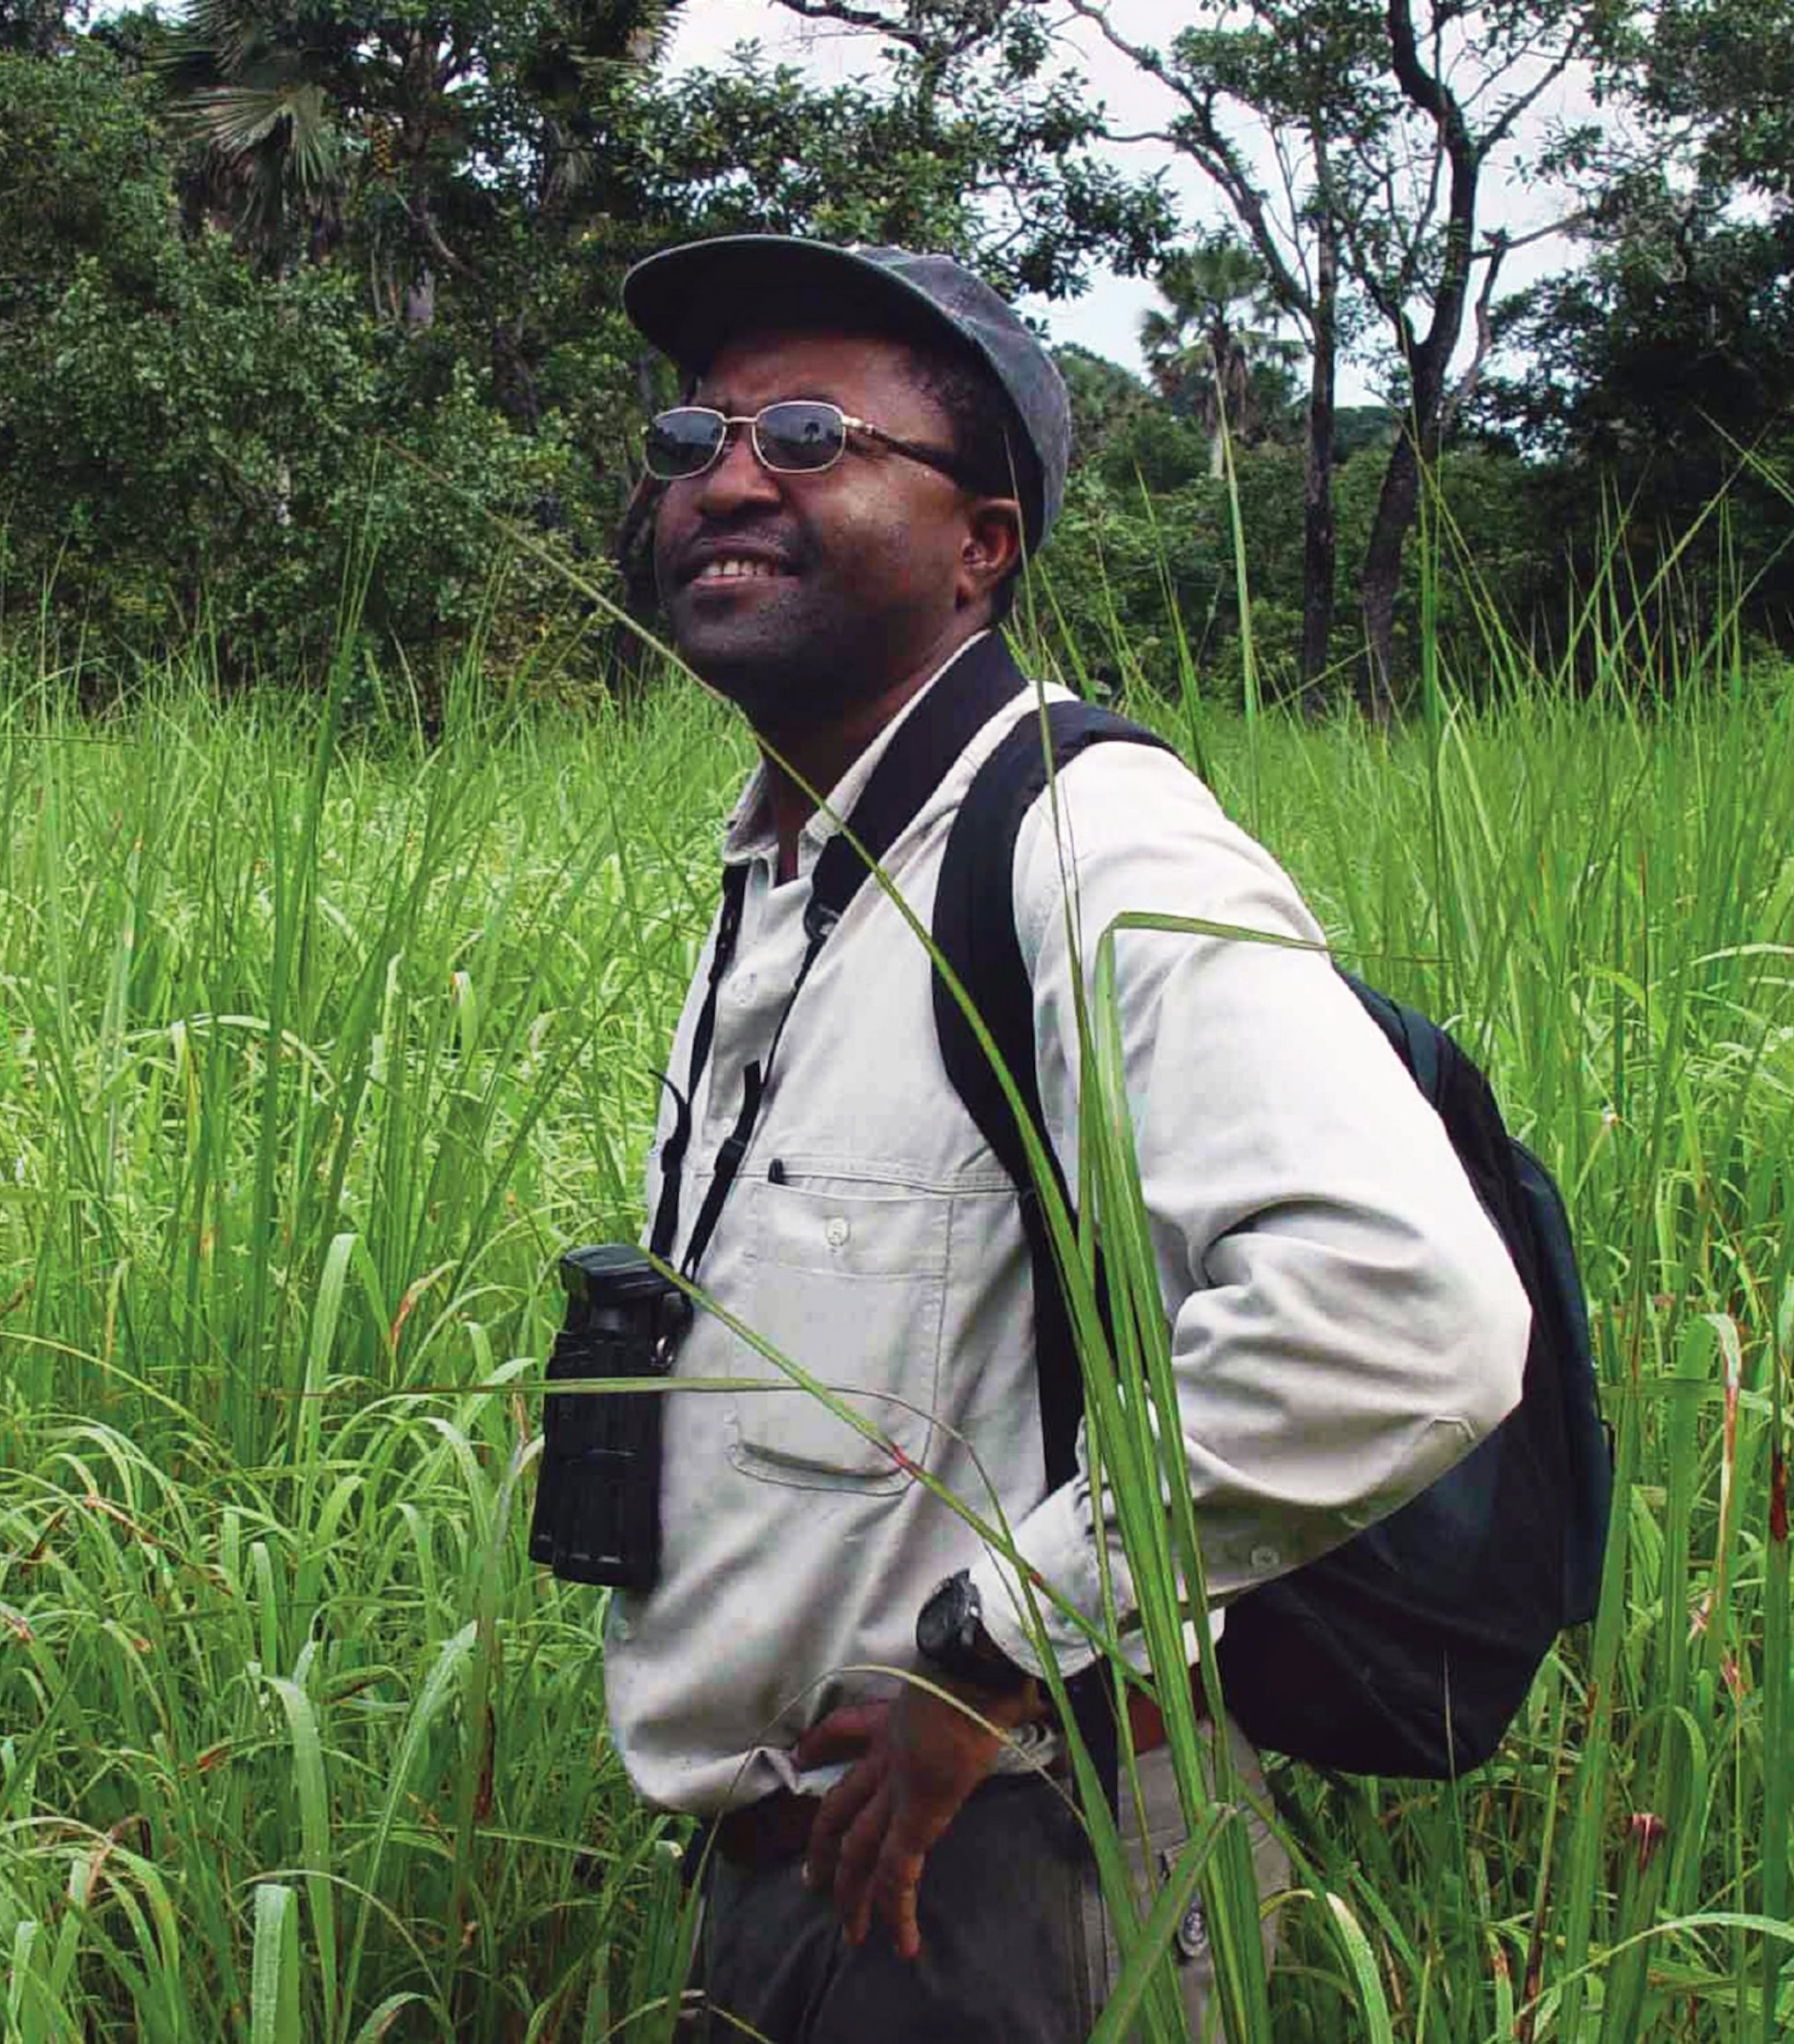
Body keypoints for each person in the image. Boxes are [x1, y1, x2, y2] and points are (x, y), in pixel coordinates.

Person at [602, 234, 1530, 2042]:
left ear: (983, 548)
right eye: (694, 432)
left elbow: (1405, 1303)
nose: (725, 473)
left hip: (1020, 1879)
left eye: (810, 434)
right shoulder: (786, 870)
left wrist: (1005, 1646)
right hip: (804, 1870)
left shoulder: (1087, 837)